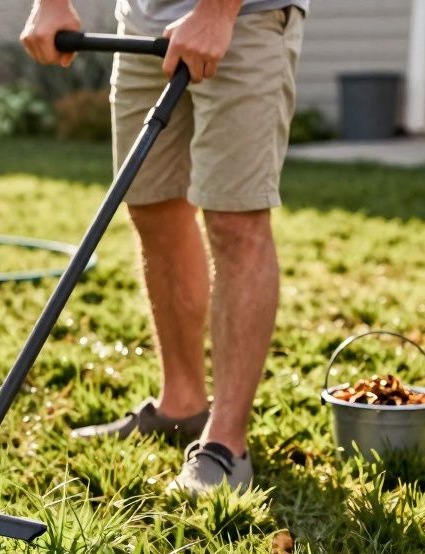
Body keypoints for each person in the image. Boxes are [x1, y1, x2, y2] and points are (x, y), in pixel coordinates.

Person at [21, 0, 306, 494]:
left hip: (246, 19)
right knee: (152, 207)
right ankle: (181, 405)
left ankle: (226, 443)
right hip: (142, 22)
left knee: (235, 220)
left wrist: (216, 13)